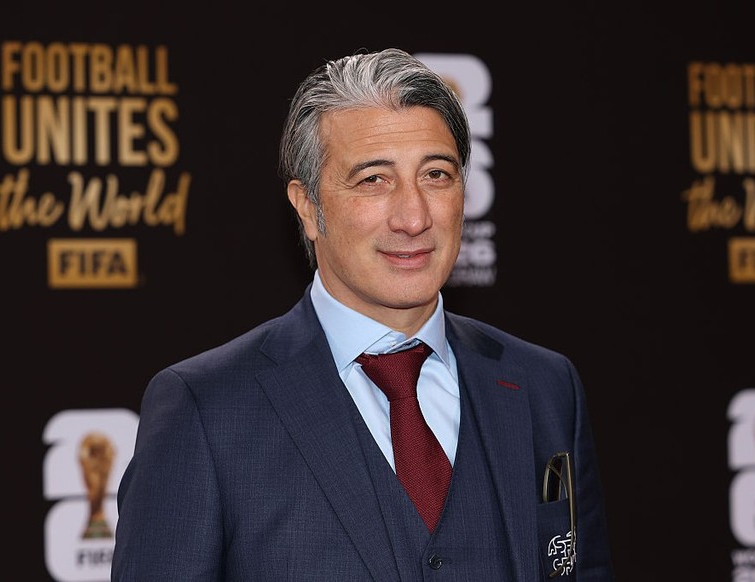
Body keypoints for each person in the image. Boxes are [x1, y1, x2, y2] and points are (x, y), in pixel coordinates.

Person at [111, 47, 614, 581]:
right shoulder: (206, 410)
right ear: (308, 206)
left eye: (437, 174)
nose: (414, 216)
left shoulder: (544, 386)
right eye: (374, 179)